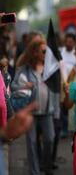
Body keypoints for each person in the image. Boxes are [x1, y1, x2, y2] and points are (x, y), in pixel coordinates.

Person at [11, 39, 56, 175]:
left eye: (47, 51)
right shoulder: (24, 69)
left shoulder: (50, 69)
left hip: (47, 111)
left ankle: (46, 167)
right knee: (31, 144)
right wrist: (24, 86)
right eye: (43, 51)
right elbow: (13, 86)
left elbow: (56, 90)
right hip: (30, 112)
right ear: (35, 52)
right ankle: (34, 172)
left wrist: (57, 111)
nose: (46, 54)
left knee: (50, 139)